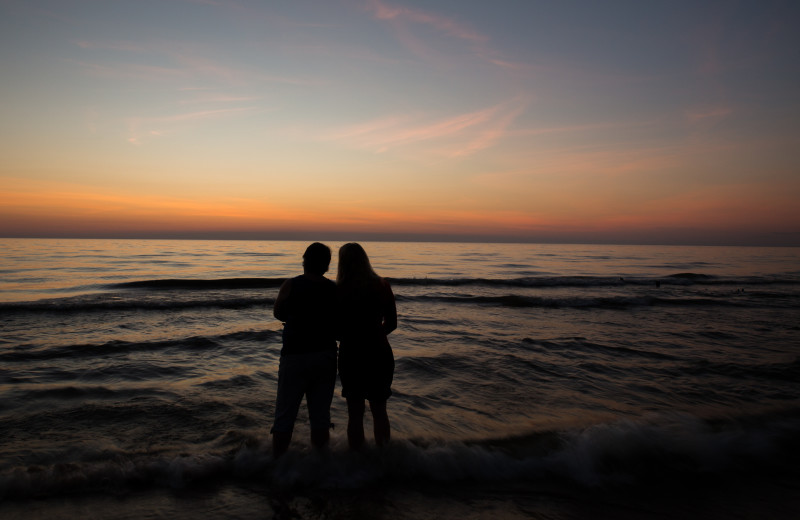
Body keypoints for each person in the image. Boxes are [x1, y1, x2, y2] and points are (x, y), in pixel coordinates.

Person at [271, 242, 338, 457]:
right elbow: (339, 324)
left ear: (304, 261)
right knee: (320, 416)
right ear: (326, 265)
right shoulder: (333, 289)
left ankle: (278, 466)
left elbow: (278, 313)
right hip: (325, 356)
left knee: (285, 414)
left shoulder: (291, 285)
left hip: (295, 355)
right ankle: (319, 466)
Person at [336, 243, 397, 450]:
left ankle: (357, 463)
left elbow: (333, 327)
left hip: (351, 353)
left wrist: (348, 336)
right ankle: (384, 460)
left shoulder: (339, 290)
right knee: (380, 411)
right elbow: (392, 323)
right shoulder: (382, 285)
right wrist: (375, 334)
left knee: (355, 413)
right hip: (379, 351)